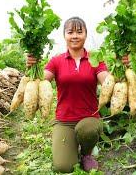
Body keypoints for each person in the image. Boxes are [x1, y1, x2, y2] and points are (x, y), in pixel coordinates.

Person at [26, 16, 129, 173]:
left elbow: (106, 82)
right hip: (64, 120)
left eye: (79, 32)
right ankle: (72, 146)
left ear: (85, 35)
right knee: (64, 167)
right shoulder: (56, 61)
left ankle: (86, 154)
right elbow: (40, 82)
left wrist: (120, 66)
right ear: (65, 36)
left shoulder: (95, 59)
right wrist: (32, 67)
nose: (75, 36)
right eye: (70, 32)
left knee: (87, 129)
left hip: (89, 118)